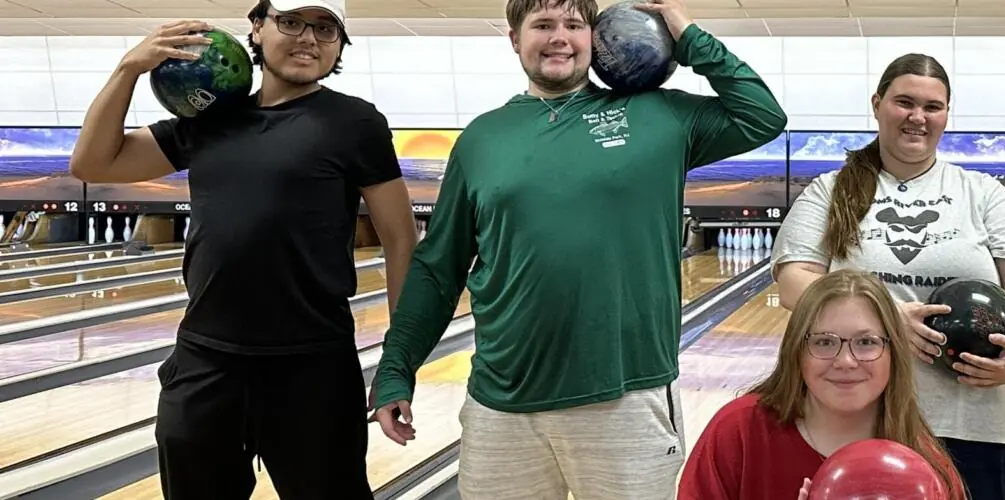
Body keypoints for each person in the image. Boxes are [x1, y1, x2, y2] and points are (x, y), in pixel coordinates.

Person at [367, 0, 786, 497]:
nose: (559, 37)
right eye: (542, 25)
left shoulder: (658, 114)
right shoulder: (481, 139)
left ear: (597, 36)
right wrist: (395, 368)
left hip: (627, 398)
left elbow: (762, 115)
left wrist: (686, 33)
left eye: (574, 25)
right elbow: (439, 266)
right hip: (502, 402)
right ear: (514, 39)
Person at [65, 0, 418, 498]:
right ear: (256, 29)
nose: (308, 39)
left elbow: (402, 238)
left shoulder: (354, 122)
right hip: (205, 362)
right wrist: (129, 68)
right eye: (291, 22)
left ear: (339, 44)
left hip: (312, 367)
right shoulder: (209, 116)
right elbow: (94, 164)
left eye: (325, 29)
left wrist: (397, 360)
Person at [769, 53, 1005, 500]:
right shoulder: (829, 190)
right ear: (877, 104)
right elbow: (794, 281)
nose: (917, 117)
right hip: (862, 416)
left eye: (932, 107)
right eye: (904, 102)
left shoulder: (981, 193)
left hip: (974, 423)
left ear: (945, 114)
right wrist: (883, 319)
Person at [677, 269, 965, 499]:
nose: (846, 361)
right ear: (796, 351)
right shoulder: (738, 431)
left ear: (893, 352)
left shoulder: (923, 460)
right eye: (824, 342)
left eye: (866, 342)